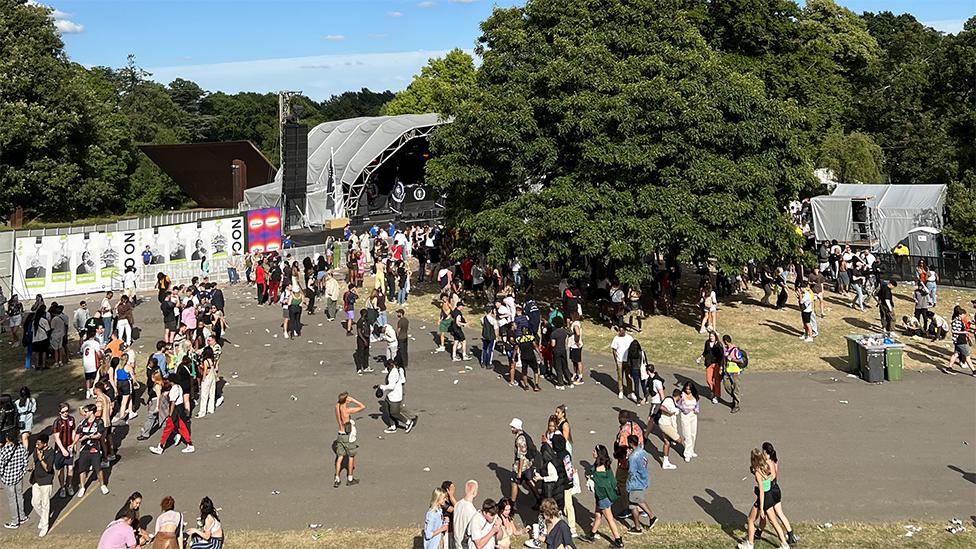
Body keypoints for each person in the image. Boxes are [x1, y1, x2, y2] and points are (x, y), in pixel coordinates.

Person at [737, 449, 789, 549]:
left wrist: (761, 508)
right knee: (774, 522)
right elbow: (772, 477)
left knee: (750, 520)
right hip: (770, 496)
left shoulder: (758, 472)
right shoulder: (767, 466)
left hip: (764, 498)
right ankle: (784, 544)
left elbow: (761, 491)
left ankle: (750, 544)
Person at [578, 445, 623, 547]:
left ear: (599, 454)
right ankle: (591, 535)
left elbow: (600, 484)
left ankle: (618, 540)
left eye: (595, 451)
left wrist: (591, 478)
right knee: (598, 515)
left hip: (603, 498)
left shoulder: (598, 469)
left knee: (609, 519)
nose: (593, 452)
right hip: (604, 496)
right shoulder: (606, 464)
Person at [758, 442, 798, 546]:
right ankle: (790, 534)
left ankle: (758, 533)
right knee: (780, 513)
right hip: (776, 488)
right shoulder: (775, 460)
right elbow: (775, 475)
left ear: (766, 452)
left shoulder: (766, 463)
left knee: (767, 514)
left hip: (769, 490)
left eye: (763, 451)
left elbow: (766, 478)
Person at [149, 375, 194, 455]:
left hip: (175, 411)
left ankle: (160, 447)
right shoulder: (179, 387)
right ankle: (189, 444)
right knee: (181, 428)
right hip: (180, 409)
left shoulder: (174, 389)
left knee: (168, 429)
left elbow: (173, 402)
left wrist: (170, 414)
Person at [624, 434, 658, 534]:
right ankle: (637, 527)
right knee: (633, 505)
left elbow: (631, 472)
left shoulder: (633, 457)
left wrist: (628, 485)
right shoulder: (643, 452)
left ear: (630, 443)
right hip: (643, 479)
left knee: (637, 501)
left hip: (635, 483)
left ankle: (651, 516)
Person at [73, 404, 109, 497]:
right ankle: (82, 487)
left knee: (98, 469)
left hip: (95, 449)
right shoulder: (82, 422)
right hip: (84, 449)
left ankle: (102, 484)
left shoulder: (99, 422)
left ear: (91, 412)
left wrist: (87, 436)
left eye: (86, 411)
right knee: (82, 469)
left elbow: (99, 435)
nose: (84, 413)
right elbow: (78, 433)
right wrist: (74, 443)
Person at [377, 359, 417, 434]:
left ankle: (408, 422)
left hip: (394, 396)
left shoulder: (393, 374)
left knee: (394, 413)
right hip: (391, 395)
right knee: (388, 410)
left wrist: (382, 387)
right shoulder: (399, 370)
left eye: (387, 367)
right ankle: (393, 426)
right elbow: (403, 380)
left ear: (390, 366)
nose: (387, 368)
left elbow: (391, 386)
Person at [334, 392, 366, 488]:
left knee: (339, 457)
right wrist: (353, 400)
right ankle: (350, 478)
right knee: (351, 457)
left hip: (340, 434)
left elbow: (339, 404)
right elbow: (362, 406)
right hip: (347, 436)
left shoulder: (337, 406)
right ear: (346, 400)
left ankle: (337, 478)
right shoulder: (347, 411)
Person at [0, 431, 28, 529]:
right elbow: (25, 460)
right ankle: (22, 516)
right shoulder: (21, 447)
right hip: (19, 476)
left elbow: (1, 466)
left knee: (12, 500)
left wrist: (2, 476)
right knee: (19, 496)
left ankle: (15, 521)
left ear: (7, 439)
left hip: (8, 479)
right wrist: (23, 472)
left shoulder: (3, 451)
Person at [30, 434, 55, 537]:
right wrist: (32, 467)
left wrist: (41, 459)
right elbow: (35, 463)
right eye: (36, 443)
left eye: (39, 444)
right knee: (35, 502)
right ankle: (44, 517)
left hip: (46, 481)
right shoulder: (36, 451)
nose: (37, 445)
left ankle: (45, 526)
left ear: (45, 444)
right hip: (36, 480)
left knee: (45, 504)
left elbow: (48, 469)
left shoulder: (50, 453)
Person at [509, 418, 539, 503]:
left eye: (513, 427)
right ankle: (539, 498)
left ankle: (512, 503)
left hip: (520, 466)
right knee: (529, 481)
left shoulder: (520, 439)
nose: (511, 429)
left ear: (517, 427)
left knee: (514, 482)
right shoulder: (523, 434)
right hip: (527, 464)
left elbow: (521, 456)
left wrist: (519, 472)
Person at [52, 403, 76, 497]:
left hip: (69, 447)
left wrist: (74, 444)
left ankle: (69, 485)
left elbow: (73, 431)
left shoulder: (71, 419)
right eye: (63, 412)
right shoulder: (57, 422)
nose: (66, 413)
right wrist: (63, 450)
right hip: (60, 450)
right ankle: (62, 487)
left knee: (70, 468)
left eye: (67, 411)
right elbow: (56, 438)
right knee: (61, 470)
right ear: (59, 412)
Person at [946, 306, 976, 376]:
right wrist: (964, 333)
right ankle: (974, 371)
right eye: (963, 315)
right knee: (967, 356)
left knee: (956, 354)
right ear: (960, 314)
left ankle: (949, 367)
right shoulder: (956, 321)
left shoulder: (959, 320)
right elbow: (954, 331)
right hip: (960, 340)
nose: (964, 316)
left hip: (959, 340)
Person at [697, 331, 723, 404]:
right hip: (709, 364)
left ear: (715, 337)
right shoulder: (707, 343)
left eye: (712, 336)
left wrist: (721, 366)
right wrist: (700, 357)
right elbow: (705, 352)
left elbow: (721, 356)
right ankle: (713, 391)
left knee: (717, 381)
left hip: (716, 364)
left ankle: (717, 396)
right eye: (710, 336)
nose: (711, 337)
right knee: (709, 380)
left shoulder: (718, 345)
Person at [677, 381, 700, 462]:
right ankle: (687, 453)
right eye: (687, 389)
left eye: (689, 389)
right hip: (685, 415)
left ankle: (691, 450)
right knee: (687, 435)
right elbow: (678, 404)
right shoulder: (682, 395)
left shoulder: (694, 395)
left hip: (693, 415)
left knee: (693, 433)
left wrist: (696, 409)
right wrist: (684, 409)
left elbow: (697, 403)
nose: (688, 391)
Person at [610, 327, 634, 400]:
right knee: (620, 376)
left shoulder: (629, 338)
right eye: (619, 331)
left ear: (624, 331)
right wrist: (616, 360)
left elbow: (633, 348)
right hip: (619, 360)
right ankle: (621, 391)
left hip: (627, 360)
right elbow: (614, 350)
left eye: (621, 331)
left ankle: (630, 392)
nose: (620, 332)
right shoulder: (616, 338)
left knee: (628, 376)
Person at [453, 480, 479, 548]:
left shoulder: (457, 504)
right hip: (465, 545)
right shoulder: (473, 512)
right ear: (475, 492)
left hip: (457, 543)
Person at [723, 335, 745, 413]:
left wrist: (732, 359)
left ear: (726, 341)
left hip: (735, 372)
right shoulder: (725, 349)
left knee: (736, 388)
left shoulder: (735, 350)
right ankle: (735, 398)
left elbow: (741, 361)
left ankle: (736, 404)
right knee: (726, 386)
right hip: (727, 371)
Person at [568, 312, 584, 385]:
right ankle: (575, 374)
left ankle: (580, 377)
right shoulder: (575, 323)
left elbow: (577, 333)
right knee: (574, 361)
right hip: (573, 345)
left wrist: (576, 341)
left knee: (578, 361)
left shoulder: (575, 324)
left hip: (575, 345)